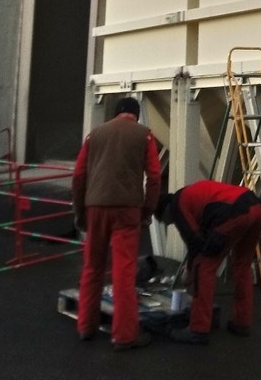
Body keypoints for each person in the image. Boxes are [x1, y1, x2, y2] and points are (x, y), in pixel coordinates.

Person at [72, 95, 161, 350]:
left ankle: (85, 327)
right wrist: (147, 212)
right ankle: (124, 336)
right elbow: (154, 178)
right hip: (127, 210)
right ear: (136, 115)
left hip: (95, 207)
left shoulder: (95, 135)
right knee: (123, 272)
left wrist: (80, 213)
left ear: (116, 113)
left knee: (92, 267)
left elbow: (78, 177)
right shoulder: (144, 135)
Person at [155, 180, 261, 344]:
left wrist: (189, 271)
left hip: (235, 213)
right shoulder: (189, 196)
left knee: (203, 267)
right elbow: (201, 237)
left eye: (165, 221)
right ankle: (241, 323)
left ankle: (198, 329)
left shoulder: (177, 206)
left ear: (165, 212)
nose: (168, 224)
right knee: (242, 266)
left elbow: (195, 242)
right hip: (256, 207)